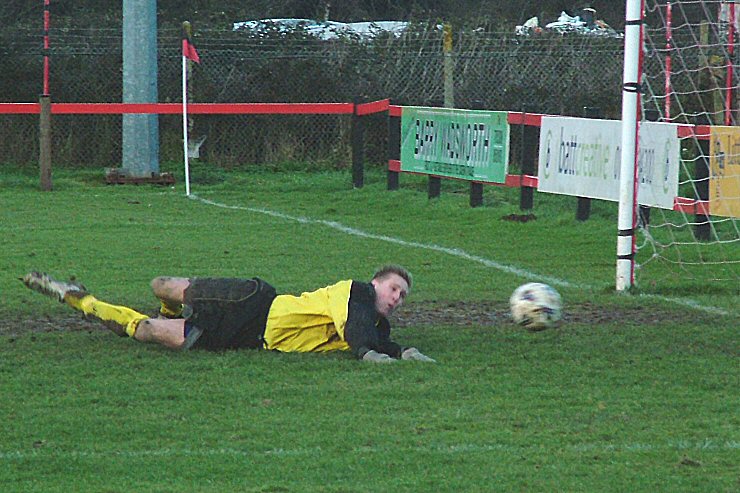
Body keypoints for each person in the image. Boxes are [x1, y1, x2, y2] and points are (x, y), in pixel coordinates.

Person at [21, 265, 435, 363]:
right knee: (162, 286)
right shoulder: (355, 293)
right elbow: (360, 332)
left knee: (148, 331)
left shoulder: (375, 321)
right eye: (394, 289)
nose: (397, 298)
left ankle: (76, 298)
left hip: (247, 337)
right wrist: (368, 355)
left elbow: (379, 339)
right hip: (253, 302)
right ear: (376, 283)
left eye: (403, 296)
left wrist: (406, 353)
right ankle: (169, 303)